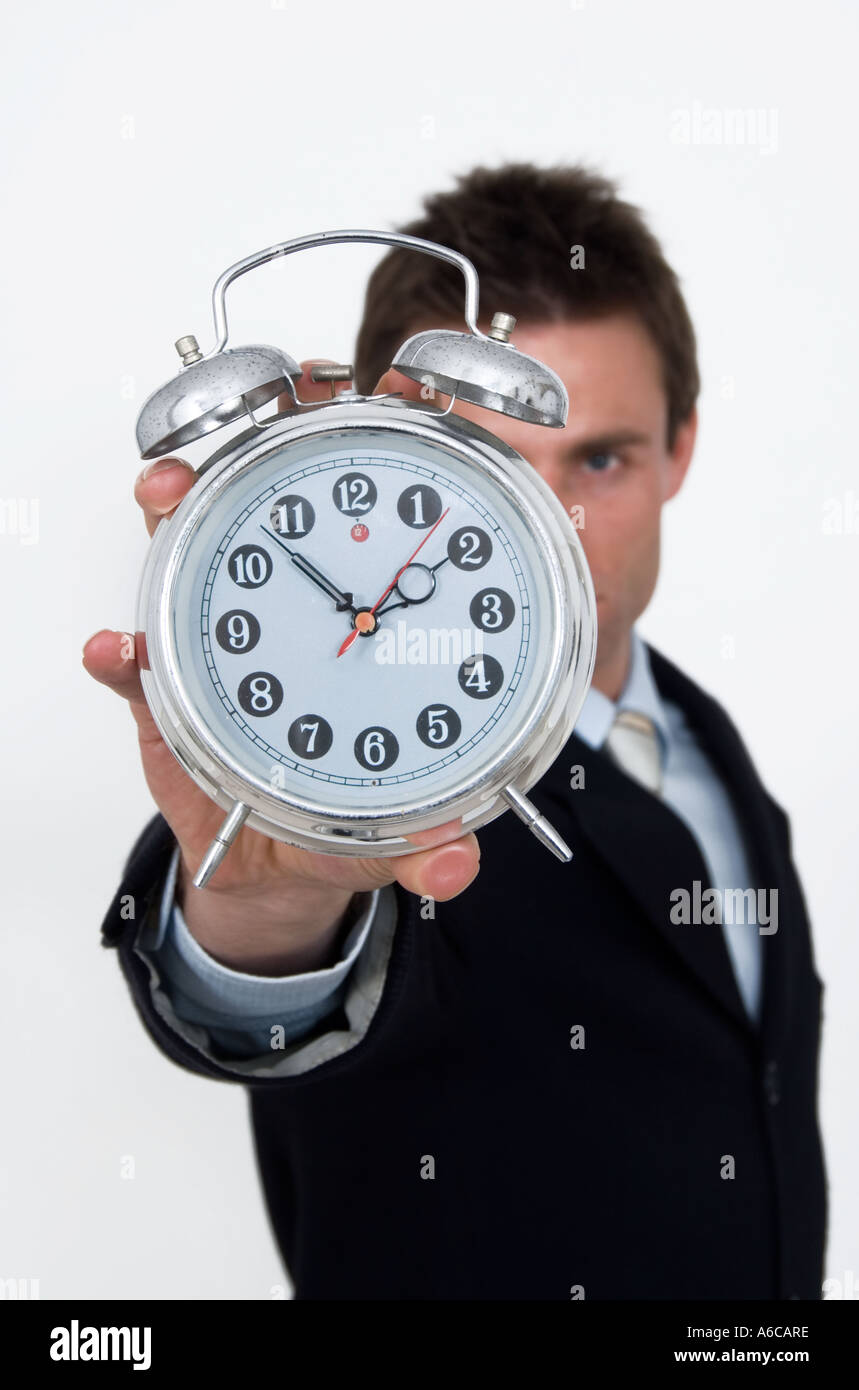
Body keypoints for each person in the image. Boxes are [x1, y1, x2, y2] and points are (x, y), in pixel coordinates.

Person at [85, 163, 827, 1300]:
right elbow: (274, 986)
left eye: (600, 459)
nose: (548, 523)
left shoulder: (705, 741)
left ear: (680, 448)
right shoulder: (372, 794)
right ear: (381, 454)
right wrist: (263, 905)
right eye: (486, 471)